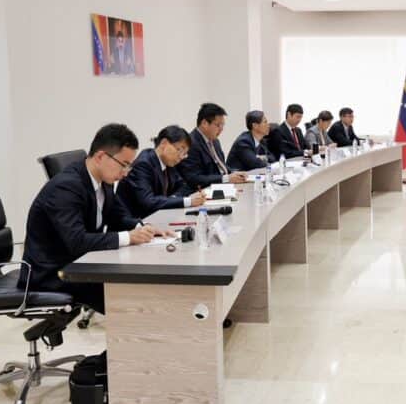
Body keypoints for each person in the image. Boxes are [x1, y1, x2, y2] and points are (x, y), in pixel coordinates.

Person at [18, 124, 171, 313]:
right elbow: (77, 241)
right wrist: (129, 237)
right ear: (100, 157)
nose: (125, 173)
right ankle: (134, 339)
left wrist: (144, 227)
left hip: (80, 263)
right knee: (134, 296)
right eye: (124, 164)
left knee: (146, 283)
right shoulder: (65, 188)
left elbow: (118, 216)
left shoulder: (102, 180)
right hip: (52, 273)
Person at [119, 125, 206, 217]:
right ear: (164, 143)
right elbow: (148, 201)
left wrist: (173, 199)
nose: (181, 157)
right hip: (136, 223)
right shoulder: (144, 164)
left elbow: (183, 186)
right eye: (179, 150)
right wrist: (187, 201)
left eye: (184, 154)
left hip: (158, 217)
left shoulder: (168, 163)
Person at [178, 103, 247, 189]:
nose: (221, 129)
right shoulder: (191, 144)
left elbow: (221, 166)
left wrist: (234, 173)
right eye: (218, 125)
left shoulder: (215, 141)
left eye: (223, 125)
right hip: (204, 192)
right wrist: (226, 178)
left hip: (223, 187)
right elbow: (194, 178)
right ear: (204, 123)